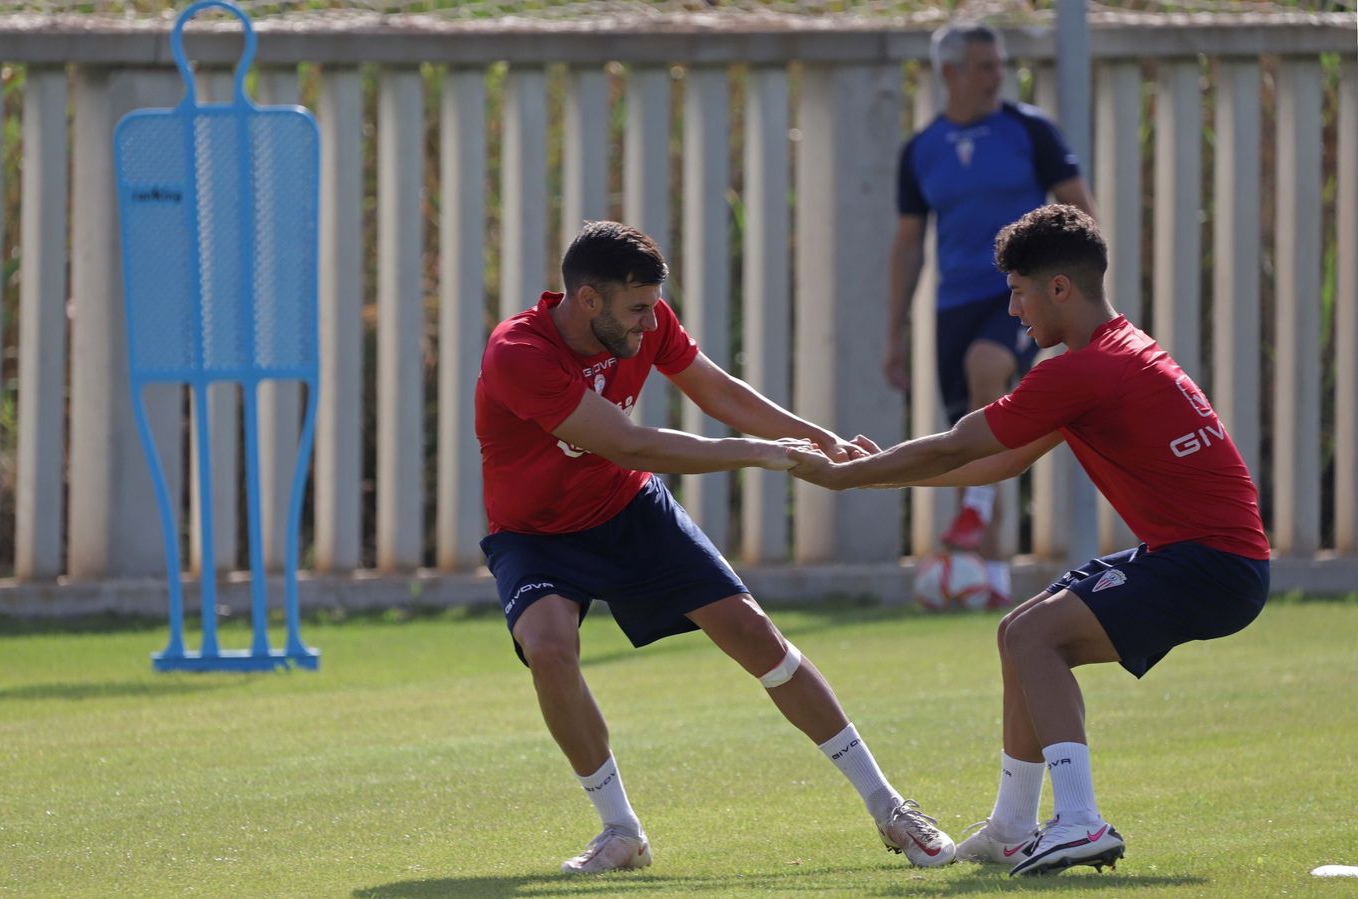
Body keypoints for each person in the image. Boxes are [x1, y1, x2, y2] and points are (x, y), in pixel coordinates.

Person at [790, 205, 1270, 876]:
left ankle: (1079, 819)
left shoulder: (1081, 371)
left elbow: (957, 442)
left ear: (1060, 289)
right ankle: (1012, 825)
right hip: (1208, 557)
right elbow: (1000, 459)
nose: (1014, 310)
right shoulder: (1112, 352)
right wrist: (871, 478)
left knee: (1031, 637)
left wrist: (845, 477)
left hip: (1209, 564)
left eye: (1018, 291)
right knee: (1019, 630)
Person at [475, 221, 956, 874]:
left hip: (626, 509)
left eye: (652, 307)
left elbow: (720, 392)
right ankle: (621, 831)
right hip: (535, 536)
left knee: (755, 633)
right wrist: (758, 455)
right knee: (549, 648)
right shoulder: (518, 353)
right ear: (588, 301)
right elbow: (628, 441)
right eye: (637, 309)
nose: (650, 324)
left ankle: (890, 807)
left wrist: (819, 437)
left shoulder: (647, 318)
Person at [887, 21, 1096, 607]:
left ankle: (973, 511)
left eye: (1000, 64)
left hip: (1021, 296)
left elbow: (1081, 211)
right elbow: (907, 245)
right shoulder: (921, 150)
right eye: (984, 65)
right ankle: (995, 580)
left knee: (988, 365)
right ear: (949, 73)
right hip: (951, 304)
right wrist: (892, 335)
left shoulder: (1030, 130)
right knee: (983, 437)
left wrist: (1076, 296)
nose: (997, 75)